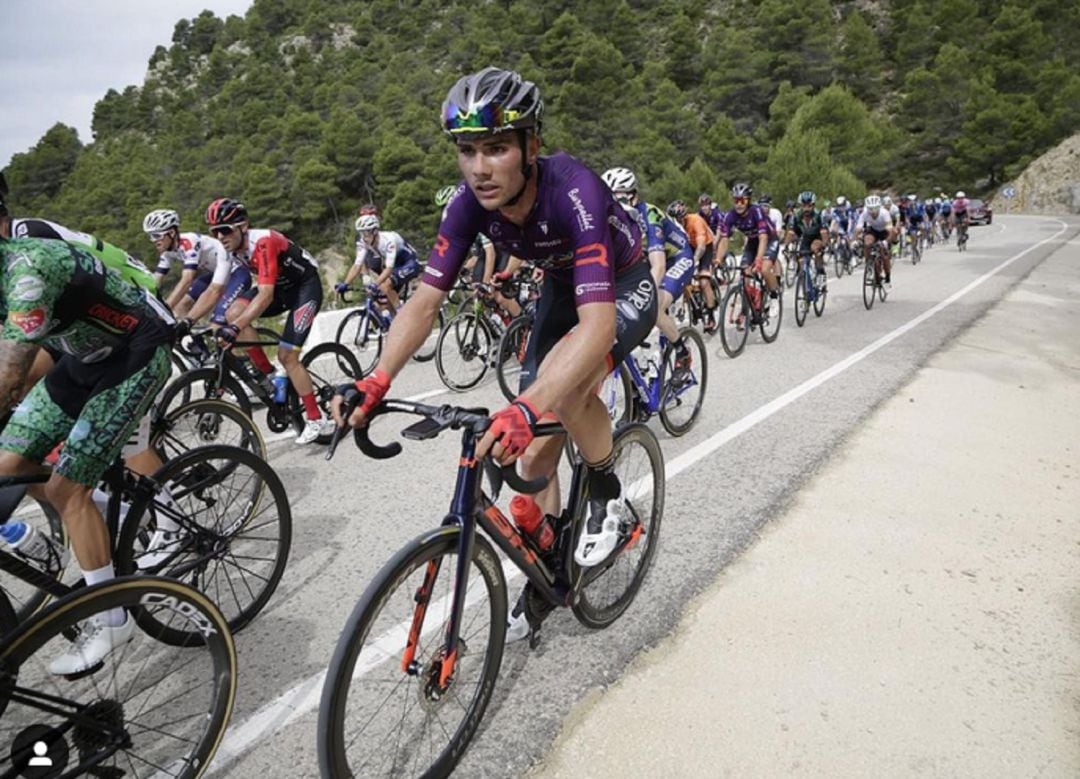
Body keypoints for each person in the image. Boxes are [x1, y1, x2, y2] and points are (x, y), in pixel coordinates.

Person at [334, 68, 655, 593]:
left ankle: (607, 493)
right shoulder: (466, 206)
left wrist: (530, 406)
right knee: (529, 450)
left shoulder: (576, 190)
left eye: (497, 148)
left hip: (623, 281)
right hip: (560, 281)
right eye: (467, 150)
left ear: (532, 146)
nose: (479, 168)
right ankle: (549, 557)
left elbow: (597, 328)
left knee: (564, 391)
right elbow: (424, 301)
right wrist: (377, 379)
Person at [0, 224, 175, 673]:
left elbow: (13, 370)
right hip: (81, 358)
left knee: (64, 490)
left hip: (136, 352)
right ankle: (101, 511)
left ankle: (111, 614)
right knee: (8, 464)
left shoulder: (28, 267)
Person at [204, 198, 334, 444]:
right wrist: (194, 321)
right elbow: (215, 288)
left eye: (225, 229)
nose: (220, 236)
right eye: (214, 232)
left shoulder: (263, 242)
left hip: (304, 289)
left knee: (288, 356)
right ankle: (269, 376)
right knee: (232, 313)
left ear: (243, 226)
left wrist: (236, 327)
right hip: (281, 289)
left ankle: (316, 418)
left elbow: (265, 295)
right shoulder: (228, 250)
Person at [602, 167, 694, 379]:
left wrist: (643, 299)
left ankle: (682, 352)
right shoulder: (612, 219)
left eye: (619, 199)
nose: (615, 205)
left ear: (633, 196)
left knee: (653, 307)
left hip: (677, 258)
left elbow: (659, 266)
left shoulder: (648, 214)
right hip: (647, 261)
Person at [142, 208, 251, 325]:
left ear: (172, 233)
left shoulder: (190, 242)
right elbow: (156, 281)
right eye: (150, 236)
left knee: (218, 320)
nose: (153, 240)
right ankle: (193, 341)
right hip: (216, 274)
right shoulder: (167, 252)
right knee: (180, 308)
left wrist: (165, 308)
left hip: (236, 273)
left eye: (156, 235)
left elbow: (187, 280)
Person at [716, 182, 780, 321]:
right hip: (752, 242)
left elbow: (763, 238)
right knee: (745, 275)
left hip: (769, 240)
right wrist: (718, 259)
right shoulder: (730, 216)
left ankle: (774, 296)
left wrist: (758, 260)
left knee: (763, 269)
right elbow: (724, 240)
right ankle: (747, 309)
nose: (738, 204)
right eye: (735, 200)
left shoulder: (756, 211)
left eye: (742, 200)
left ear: (748, 201)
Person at [336, 213, 423, 313]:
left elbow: (389, 269)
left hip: (408, 262)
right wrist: (345, 283)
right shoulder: (364, 242)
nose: (364, 237)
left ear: (375, 231)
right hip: (395, 265)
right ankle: (395, 321)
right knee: (385, 301)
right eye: (361, 233)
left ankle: (401, 315)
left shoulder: (388, 241)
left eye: (366, 233)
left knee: (385, 285)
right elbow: (357, 265)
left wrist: (376, 284)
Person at [667, 199, 718, 331]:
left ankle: (711, 315)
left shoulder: (696, 221)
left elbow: (701, 247)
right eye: (674, 221)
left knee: (703, 282)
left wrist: (694, 261)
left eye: (679, 220)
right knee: (682, 277)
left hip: (705, 246)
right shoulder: (672, 227)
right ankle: (692, 302)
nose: (677, 224)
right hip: (690, 246)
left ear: (684, 217)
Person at [786, 191, 830, 288]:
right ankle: (805, 282)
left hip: (818, 236)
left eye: (809, 206)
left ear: (813, 205)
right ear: (801, 205)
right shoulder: (796, 216)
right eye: (804, 206)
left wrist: (824, 245)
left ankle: (820, 273)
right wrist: (786, 246)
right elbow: (791, 232)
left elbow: (824, 233)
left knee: (815, 248)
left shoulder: (819, 215)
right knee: (801, 260)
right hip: (806, 238)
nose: (806, 209)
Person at [854, 194, 895, 286]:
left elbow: (890, 231)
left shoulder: (884, 213)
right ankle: (869, 264)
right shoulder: (864, 213)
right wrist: (855, 241)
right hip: (873, 230)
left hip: (884, 231)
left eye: (875, 209)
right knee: (867, 243)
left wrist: (886, 242)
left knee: (884, 255)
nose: (873, 212)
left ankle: (887, 276)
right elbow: (858, 229)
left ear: (879, 207)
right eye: (870, 209)